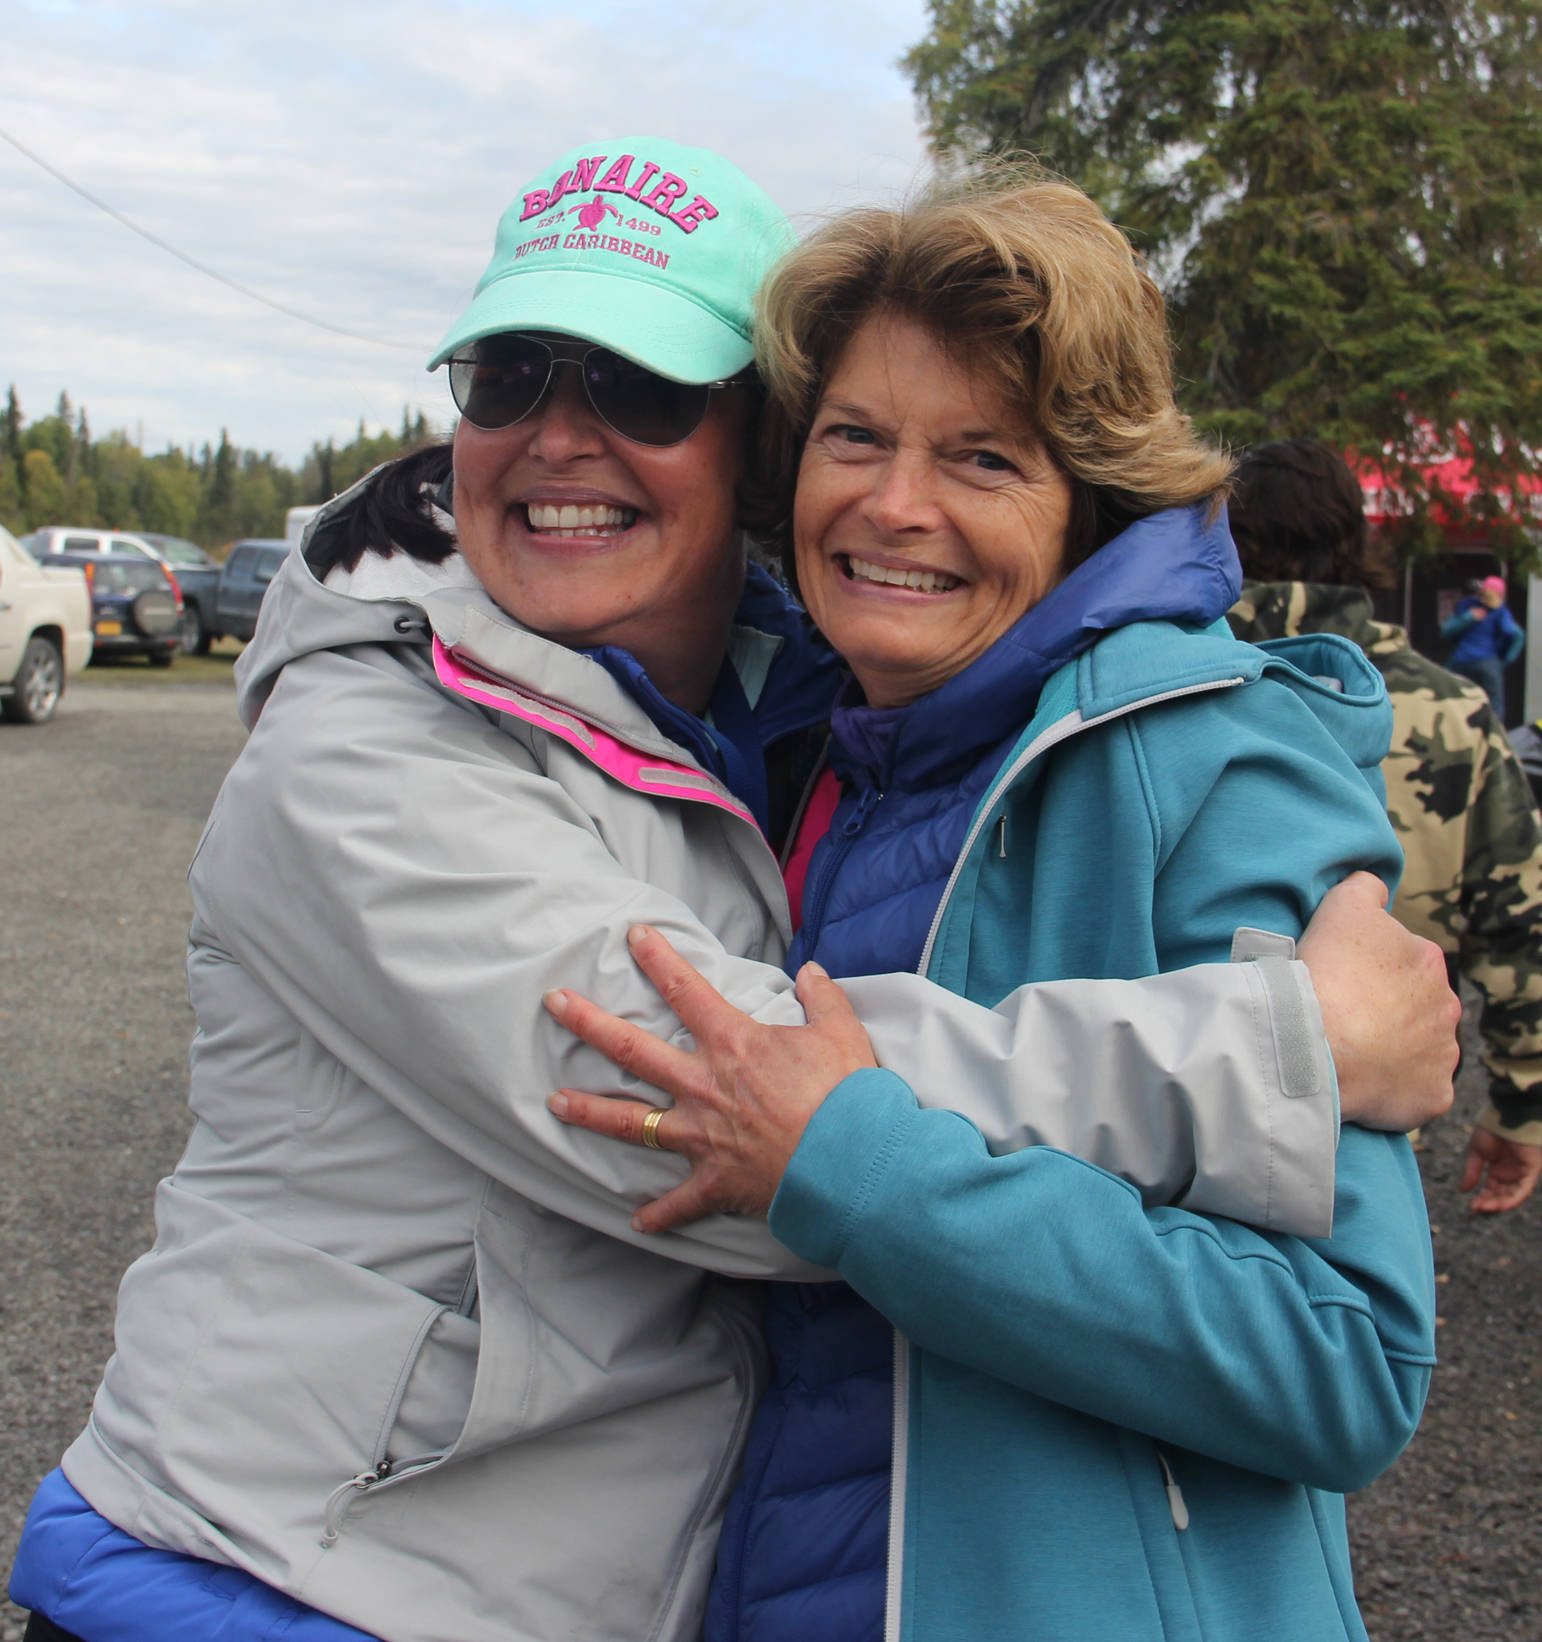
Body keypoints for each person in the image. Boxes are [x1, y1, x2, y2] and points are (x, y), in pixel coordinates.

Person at [8, 141, 1453, 1642]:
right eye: (508, 375)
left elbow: (1339, 1353)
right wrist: (1276, 1052)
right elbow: (710, 1106)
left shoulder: (919, 742)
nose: (559, 436)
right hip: (267, 1582)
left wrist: (861, 1153)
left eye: (636, 388)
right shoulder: (364, 748)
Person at [545, 171, 1445, 1642]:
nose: (896, 505)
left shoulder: (1216, 764)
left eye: (982, 458)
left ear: (1084, 497)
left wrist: (863, 1166)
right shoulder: (792, 753)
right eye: (854, 436)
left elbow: (1340, 1359)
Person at [1227, 439, 1542, 1211]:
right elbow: (1519, 920)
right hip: (1382, 1122)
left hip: (1194, 1110)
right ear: (1356, 541)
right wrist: (1521, 1105)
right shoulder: (1455, 713)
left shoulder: (1157, 691)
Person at [1442, 573, 1525, 720]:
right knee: (1495, 704)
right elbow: (1513, 632)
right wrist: (1504, 659)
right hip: (1487, 661)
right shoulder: (1499, 611)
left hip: (1462, 660)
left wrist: (1469, 617)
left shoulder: (1468, 607)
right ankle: (1494, 737)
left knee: (1455, 699)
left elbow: (1446, 631)